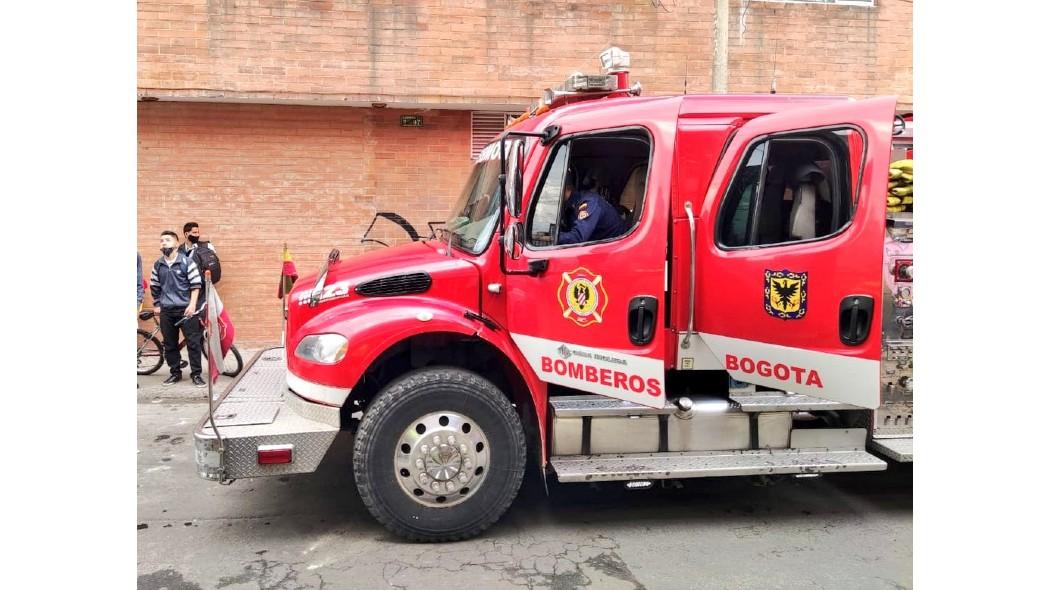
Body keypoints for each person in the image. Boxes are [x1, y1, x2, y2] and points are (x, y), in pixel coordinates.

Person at [150, 230, 206, 387]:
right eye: (161, 240)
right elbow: (155, 286)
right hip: (167, 311)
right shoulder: (158, 264)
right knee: (170, 344)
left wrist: (192, 304)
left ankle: (196, 374)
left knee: (193, 343)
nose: (163, 243)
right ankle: (175, 373)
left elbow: (196, 285)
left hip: (186, 310)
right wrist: (157, 304)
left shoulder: (187, 262)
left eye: (167, 240)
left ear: (176, 243)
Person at [557, 170, 629, 245]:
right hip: (599, 245)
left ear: (567, 188)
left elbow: (577, 238)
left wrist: (552, 236)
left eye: (554, 188)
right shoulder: (569, 205)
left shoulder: (589, 203)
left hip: (617, 248)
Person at [179, 221, 217, 309]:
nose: (197, 235)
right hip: (185, 290)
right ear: (186, 234)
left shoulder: (207, 246)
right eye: (194, 232)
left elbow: (213, 266)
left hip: (203, 289)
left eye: (198, 232)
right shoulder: (179, 251)